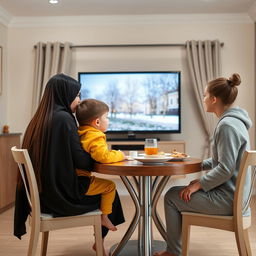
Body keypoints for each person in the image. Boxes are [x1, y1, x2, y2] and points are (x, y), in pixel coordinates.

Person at [14, 73, 125, 255]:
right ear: (65, 94)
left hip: (44, 196)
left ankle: (100, 242)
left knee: (106, 193)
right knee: (111, 195)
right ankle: (100, 241)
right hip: (60, 198)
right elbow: (81, 160)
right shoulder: (63, 119)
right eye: (77, 95)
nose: (79, 100)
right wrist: (101, 155)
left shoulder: (39, 119)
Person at [154, 73, 252, 256]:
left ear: (214, 99)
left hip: (227, 200)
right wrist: (195, 163)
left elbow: (225, 168)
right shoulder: (236, 122)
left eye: (205, 95)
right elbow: (223, 161)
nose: (204, 99)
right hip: (235, 198)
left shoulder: (227, 126)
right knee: (180, 191)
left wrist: (198, 184)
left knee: (171, 196)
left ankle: (173, 252)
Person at [76, 98, 125, 231]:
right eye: (107, 117)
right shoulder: (95, 136)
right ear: (97, 122)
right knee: (110, 186)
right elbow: (103, 156)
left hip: (74, 178)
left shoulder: (80, 132)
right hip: (81, 182)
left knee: (107, 186)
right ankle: (104, 216)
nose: (108, 120)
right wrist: (120, 154)